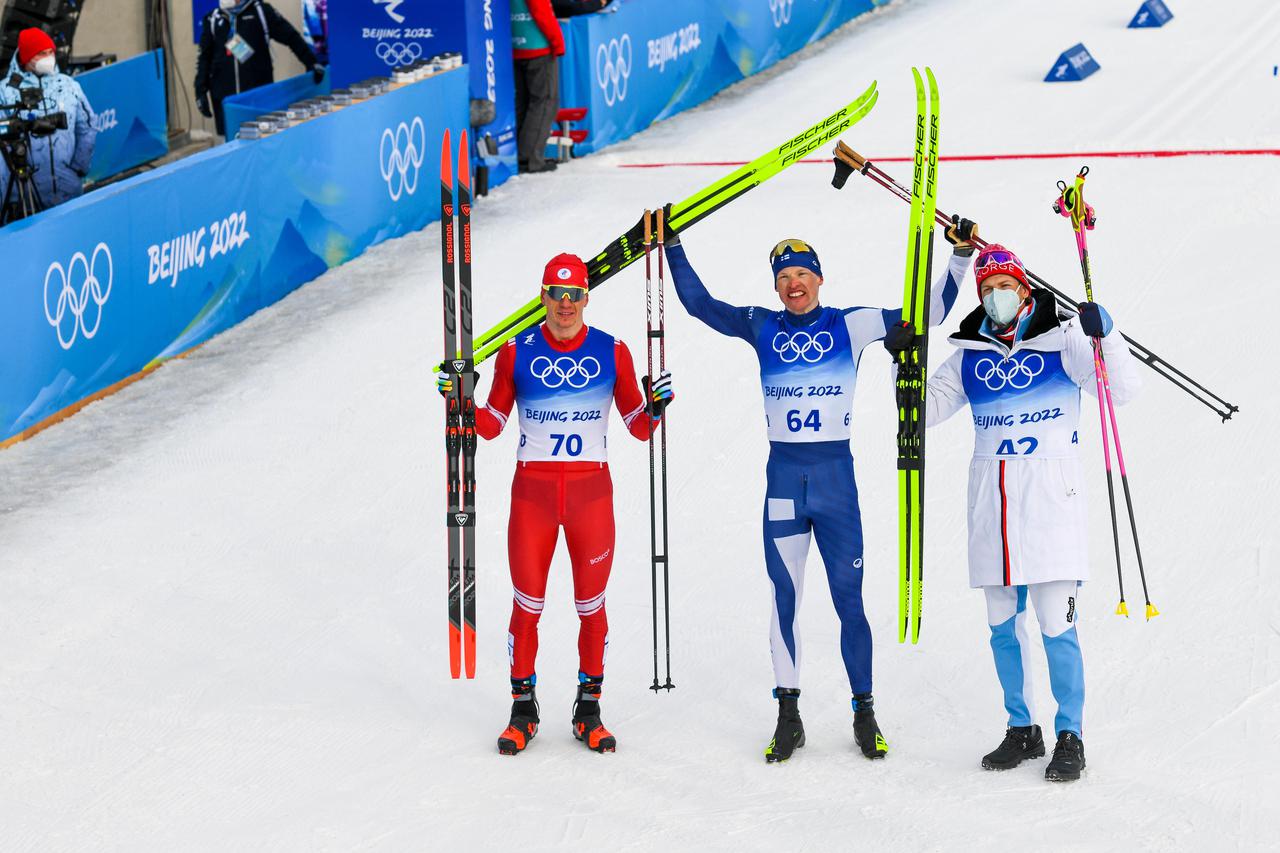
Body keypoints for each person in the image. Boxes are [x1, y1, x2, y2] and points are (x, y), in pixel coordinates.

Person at [663, 211, 973, 763]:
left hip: (835, 484)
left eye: (802, 274)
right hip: (784, 482)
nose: (793, 284)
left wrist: (960, 257)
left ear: (819, 278)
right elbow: (699, 305)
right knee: (784, 599)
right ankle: (789, 717)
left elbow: (926, 315)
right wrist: (672, 244)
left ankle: (864, 713)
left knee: (849, 601)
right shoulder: (761, 325)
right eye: (783, 277)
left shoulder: (850, 325)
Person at [907, 242, 1139, 782]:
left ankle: (1070, 734)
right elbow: (921, 413)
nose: (996, 297)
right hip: (993, 513)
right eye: (987, 289)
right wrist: (906, 362)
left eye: (1004, 286)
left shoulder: (1064, 342)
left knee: (1058, 628)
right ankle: (1022, 729)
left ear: (1024, 288)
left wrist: (1106, 334)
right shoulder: (968, 355)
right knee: (1002, 630)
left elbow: (1123, 390)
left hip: (1052, 510)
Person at [437, 253, 674, 755]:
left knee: (592, 607)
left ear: (586, 298)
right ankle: (522, 712)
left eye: (574, 295)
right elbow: (491, 425)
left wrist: (656, 408)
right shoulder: (513, 352)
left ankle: (589, 711)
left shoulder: (613, 351)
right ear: (543, 296)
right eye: (556, 294)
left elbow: (638, 427)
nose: (565, 304)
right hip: (534, 498)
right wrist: (459, 400)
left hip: (591, 497)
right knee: (527, 608)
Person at [0, 28, 96, 214]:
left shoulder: (68, 85)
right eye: (42, 53)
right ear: (27, 58)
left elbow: (87, 128)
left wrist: (78, 168)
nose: (49, 57)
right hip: (24, 196)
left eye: (51, 52)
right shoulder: (5, 92)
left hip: (67, 189)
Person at [195, 0, 322, 137]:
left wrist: (311, 62)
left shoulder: (261, 11)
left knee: (261, 141)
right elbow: (204, 58)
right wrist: (200, 90)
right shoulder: (213, 19)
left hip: (257, 100)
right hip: (226, 102)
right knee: (231, 143)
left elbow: (291, 36)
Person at [510, 0, 563, 173]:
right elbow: (541, 11)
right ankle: (529, 158)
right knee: (544, 102)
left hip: (517, 46)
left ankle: (520, 155)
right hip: (537, 47)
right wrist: (557, 42)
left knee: (524, 103)